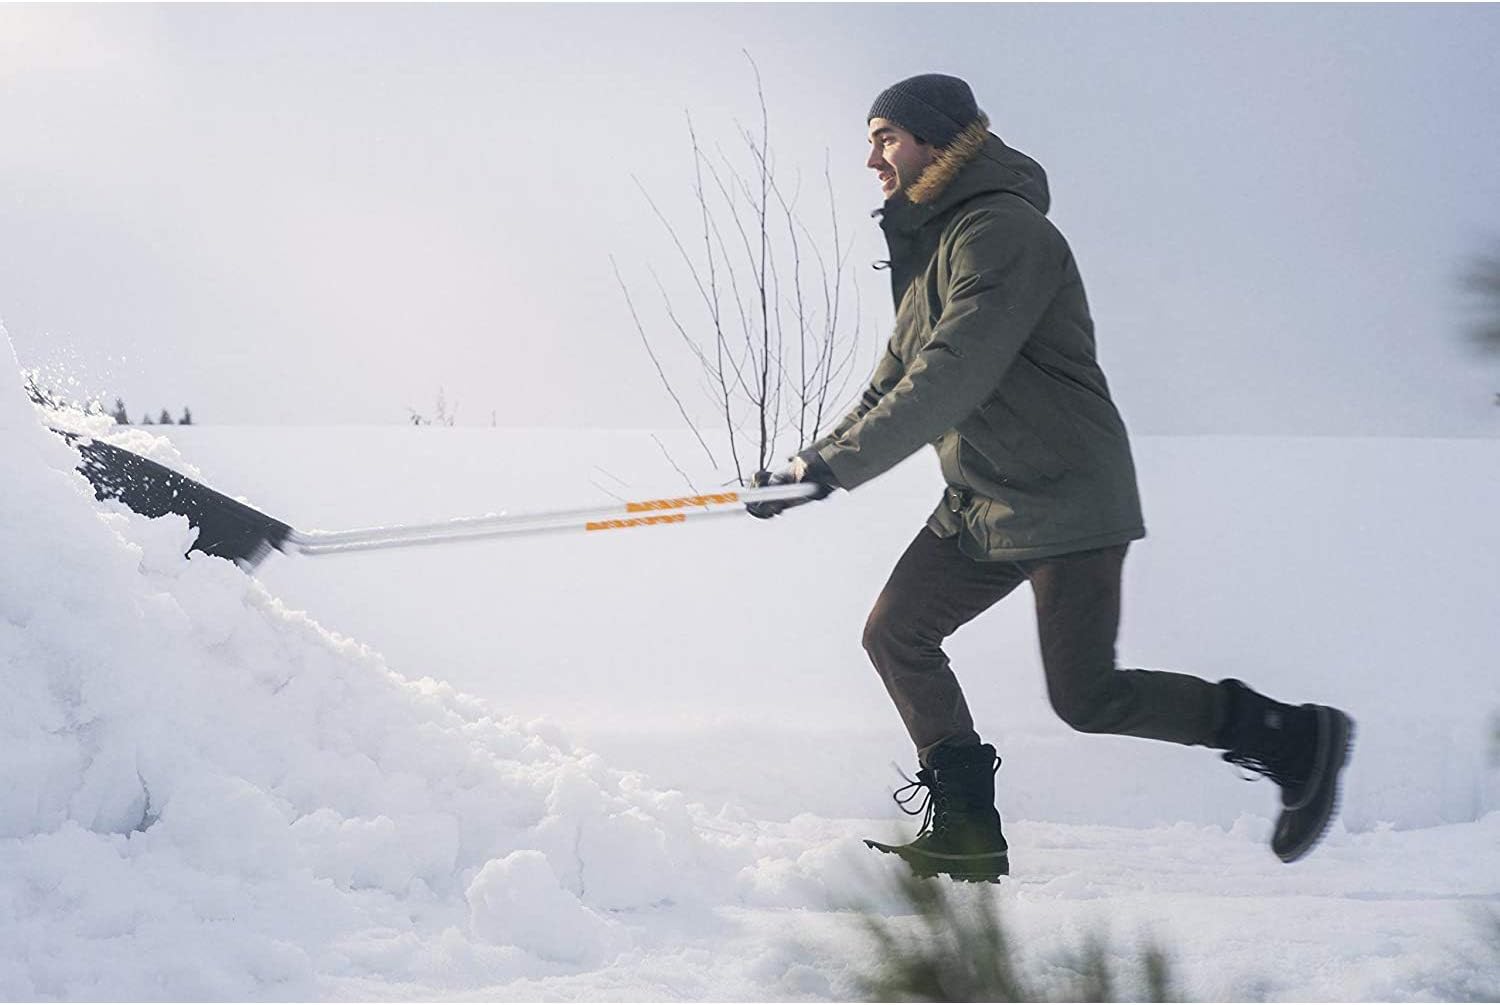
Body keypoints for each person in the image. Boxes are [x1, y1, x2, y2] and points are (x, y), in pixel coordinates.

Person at [749, 73, 1354, 882]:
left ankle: (1290, 735)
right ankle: (967, 827)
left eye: (885, 136)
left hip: (1066, 497)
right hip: (981, 503)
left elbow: (951, 373)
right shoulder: (934, 247)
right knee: (896, 633)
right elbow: (892, 382)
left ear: (936, 140)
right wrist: (805, 466)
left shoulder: (1003, 234)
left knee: (1088, 697)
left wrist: (834, 466)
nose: (871, 157)